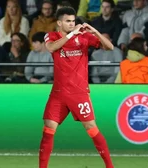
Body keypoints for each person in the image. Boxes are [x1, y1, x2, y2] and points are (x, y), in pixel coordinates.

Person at [40, 7, 114, 168]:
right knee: (48, 129)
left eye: (73, 21)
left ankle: (110, 166)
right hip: (58, 93)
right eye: (68, 21)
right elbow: (51, 48)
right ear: (59, 23)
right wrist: (72, 34)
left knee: (91, 128)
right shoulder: (51, 36)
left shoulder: (84, 37)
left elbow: (109, 47)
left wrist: (94, 31)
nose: (72, 24)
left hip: (78, 92)